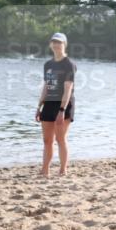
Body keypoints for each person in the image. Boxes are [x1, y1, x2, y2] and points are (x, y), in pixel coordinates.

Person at [36, 32, 76, 177]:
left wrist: (62, 110)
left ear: (64, 44)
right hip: (49, 104)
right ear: (50, 44)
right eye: (54, 42)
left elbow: (68, 89)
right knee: (47, 140)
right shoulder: (48, 64)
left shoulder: (69, 64)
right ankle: (45, 169)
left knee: (60, 139)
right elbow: (46, 87)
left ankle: (63, 169)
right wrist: (39, 107)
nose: (56, 44)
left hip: (63, 105)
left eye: (59, 42)